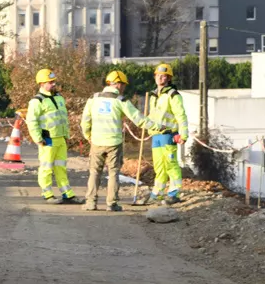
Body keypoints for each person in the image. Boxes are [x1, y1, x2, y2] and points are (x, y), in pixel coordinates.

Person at [81, 70, 160, 212]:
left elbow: (85, 120)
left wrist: (88, 135)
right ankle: (111, 204)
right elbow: (138, 119)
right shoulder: (120, 101)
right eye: (123, 85)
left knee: (94, 172)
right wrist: (157, 127)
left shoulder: (93, 99)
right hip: (114, 144)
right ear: (118, 84)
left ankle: (91, 202)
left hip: (97, 141)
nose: (124, 88)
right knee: (113, 173)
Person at [26, 69, 78, 205]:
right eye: (50, 82)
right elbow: (31, 121)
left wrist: (66, 135)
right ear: (42, 83)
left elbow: (63, 118)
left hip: (60, 138)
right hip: (47, 139)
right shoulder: (37, 101)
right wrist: (38, 138)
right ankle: (47, 194)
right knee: (46, 167)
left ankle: (68, 194)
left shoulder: (59, 97)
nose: (54, 84)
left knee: (61, 167)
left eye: (54, 81)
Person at [146, 63, 190, 205]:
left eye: (163, 75)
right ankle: (157, 193)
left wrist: (183, 135)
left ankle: (174, 193)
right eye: (158, 75)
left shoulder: (173, 95)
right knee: (159, 166)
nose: (160, 78)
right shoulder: (153, 96)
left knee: (171, 164)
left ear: (169, 78)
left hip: (168, 135)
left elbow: (181, 115)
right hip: (156, 135)